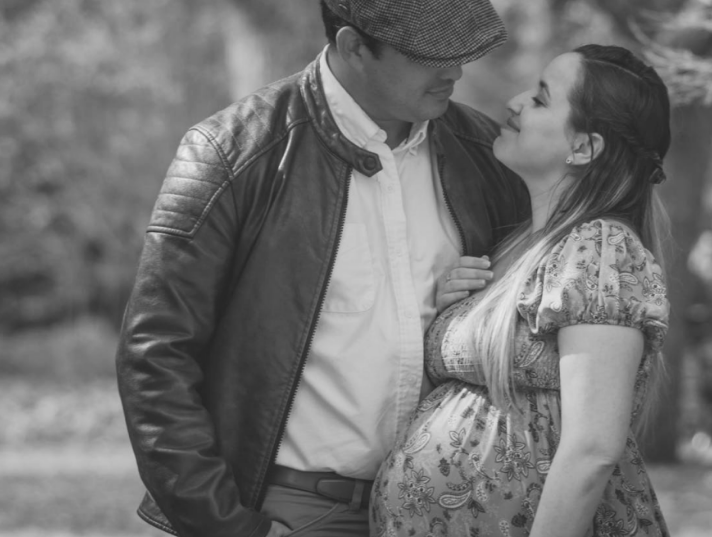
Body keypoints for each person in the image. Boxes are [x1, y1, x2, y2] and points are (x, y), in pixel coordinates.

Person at [115, 1, 530, 536]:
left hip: (454, 508)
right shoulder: (231, 152)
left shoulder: (485, 154)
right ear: (354, 45)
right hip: (294, 511)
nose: (454, 71)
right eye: (431, 55)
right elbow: (154, 356)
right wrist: (232, 529)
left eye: (459, 52)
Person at [370, 44, 673, 537]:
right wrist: (459, 311)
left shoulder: (600, 249)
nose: (514, 101)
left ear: (583, 148)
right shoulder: (523, 249)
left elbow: (593, 449)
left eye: (541, 98)